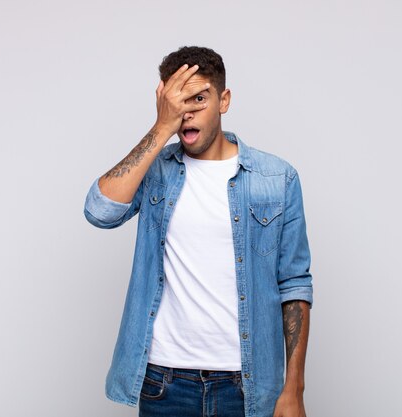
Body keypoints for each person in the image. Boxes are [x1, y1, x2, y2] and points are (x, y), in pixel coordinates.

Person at [84, 46, 313, 417]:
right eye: (178, 103)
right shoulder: (156, 170)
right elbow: (99, 211)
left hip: (246, 387)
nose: (187, 113)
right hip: (164, 383)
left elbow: (295, 285)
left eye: (199, 99)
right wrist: (161, 128)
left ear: (224, 100)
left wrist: (295, 389)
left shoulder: (276, 179)